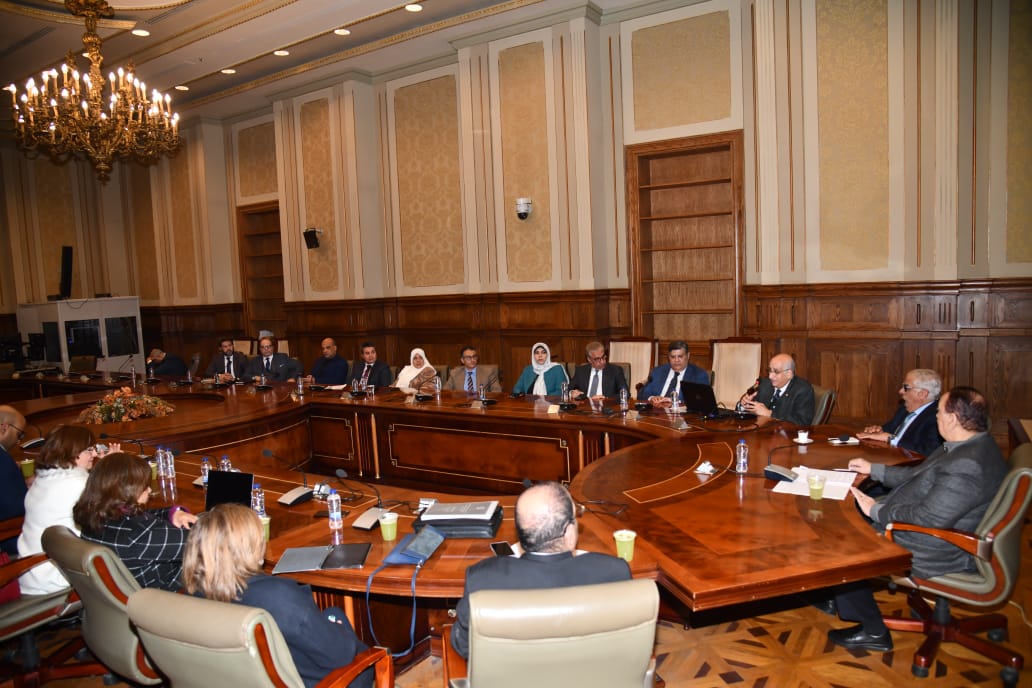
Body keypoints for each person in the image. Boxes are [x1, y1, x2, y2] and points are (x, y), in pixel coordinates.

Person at [821, 387, 1007, 653]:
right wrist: (874, 470)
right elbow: (920, 476)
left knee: (842, 544)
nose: (935, 416)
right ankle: (835, 595)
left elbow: (928, 518)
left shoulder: (967, 465)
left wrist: (876, 511)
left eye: (939, 411)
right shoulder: (971, 444)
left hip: (933, 546)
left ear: (952, 418)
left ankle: (873, 631)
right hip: (925, 526)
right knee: (842, 520)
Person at [182, 504, 372, 688]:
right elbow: (341, 654)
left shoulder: (190, 600)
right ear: (250, 550)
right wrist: (337, 620)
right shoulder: (280, 598)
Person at [450, 481, 631, 658]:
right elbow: (626, 641)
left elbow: (464, 646)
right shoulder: (615, 572)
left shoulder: (482, 579)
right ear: (569, 534)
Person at [73, 452, 197, 591]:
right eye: (144, 486)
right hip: (167, 594)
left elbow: (140, 514)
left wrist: (173, 513)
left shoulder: (93, 515)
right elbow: (205, 543)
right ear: (128, 490)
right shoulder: (143, 534)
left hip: (124, 591)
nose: (149, 490)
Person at [17, 426, 118, 594]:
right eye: (89, 449)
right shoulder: (77, 484)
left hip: (32, 572)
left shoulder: (43, 479)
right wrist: (112, 468)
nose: (94, 454)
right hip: (58, 576)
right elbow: (115, 513)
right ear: (72, 451)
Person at [857, 369, 943, 456]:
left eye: (906, 387)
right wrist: (877, 430)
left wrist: (890, 439)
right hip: (889, 456)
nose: (900, 391)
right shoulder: (904, 409)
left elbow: (929, 451)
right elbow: (888, 430)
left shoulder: (937, 417)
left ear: (922, 394)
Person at [738, 353, 814, 426]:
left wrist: (769, 414)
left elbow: (802, 422)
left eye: (776, 372)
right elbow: (748, 411)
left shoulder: (803, 390)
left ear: (789, 374)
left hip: (786, 434)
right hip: (762, 430)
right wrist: (745, 404)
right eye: (769, 370)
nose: (770, 376)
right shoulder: (765, 384)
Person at [639, 340, 708, 408]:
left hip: (682, 413)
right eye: (673, 357)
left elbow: (702, 400)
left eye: (680, 356)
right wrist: (652, 398)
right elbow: (642, 394)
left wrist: (675, 400)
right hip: (657, 411)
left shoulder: (699, 375)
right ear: (668, 357)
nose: (676, 360)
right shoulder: (657, 371)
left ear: (688, 356)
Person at [0, 405, 28, 554]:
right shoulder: (2, 460)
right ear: (4, 428)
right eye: (19, 434)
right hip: (10, 538)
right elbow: (14, 507)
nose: (18, 441)